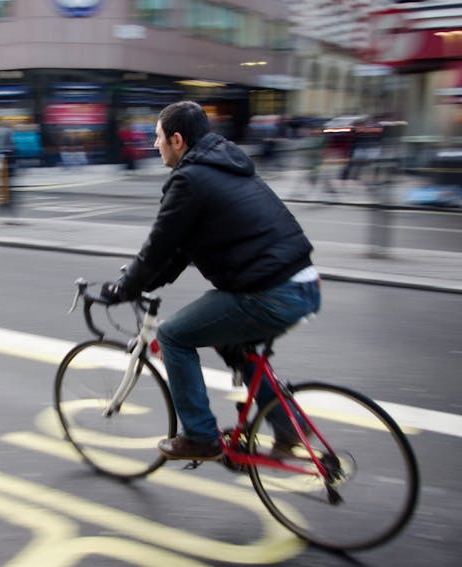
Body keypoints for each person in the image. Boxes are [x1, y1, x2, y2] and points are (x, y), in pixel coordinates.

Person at [100, 101, 321, 462]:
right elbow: (179, 252)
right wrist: (139, 281)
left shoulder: (188, 180)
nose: (154, 146)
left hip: (270, 292)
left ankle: (200, 436)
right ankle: (289, 428)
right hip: (305, 282)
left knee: (172, 336)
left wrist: (126, 288)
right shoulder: (226, 165)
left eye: (157, 138)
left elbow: (159, 247)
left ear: (176, 139)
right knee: (236, 348)